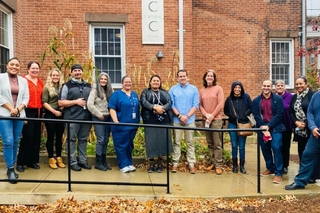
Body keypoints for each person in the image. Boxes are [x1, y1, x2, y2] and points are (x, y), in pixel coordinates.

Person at [285, 86, 320, 190]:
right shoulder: (316, 96)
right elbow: (310, 112)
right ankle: (300, 182)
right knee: (307, 155)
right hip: (316, 135)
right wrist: (313, 127)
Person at [0, 58, 29, 183]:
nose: (14, 67)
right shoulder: (1, 78)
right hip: (5, 114)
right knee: (8, 141)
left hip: (19, 114)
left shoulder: (23, 81)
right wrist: (11, 108)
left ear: (19, 67)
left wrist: (18, 109)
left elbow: (26, 97)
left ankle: (11, 166)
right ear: (7, 66)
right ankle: (11, 169)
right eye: (12, 64)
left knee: (16, 141)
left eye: (17, 65)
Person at [58, 64, 92, 171]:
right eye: (75, 71)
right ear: (72, 73)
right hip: (72, 118)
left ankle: (82, 161)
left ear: (82, 72)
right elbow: (61, 102)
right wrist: (76, 102)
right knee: (71, 140)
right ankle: (72, 162)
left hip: (86, 118)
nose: (77, 72)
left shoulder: (88, 85)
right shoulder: (67, 86)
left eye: (79, 70)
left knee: (83, 140)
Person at [252, 80, 285, 184]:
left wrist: (269, 126)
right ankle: (270, 168)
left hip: (275, 127)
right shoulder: (256, 100)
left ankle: (278, 173)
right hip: (262, 128)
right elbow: (256, 115)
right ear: (262, 87)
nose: (266, 88)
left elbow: (279, 114)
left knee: (276, 147)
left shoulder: (278, 99)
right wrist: (263, 127)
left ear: (271, 87)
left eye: (268, 86)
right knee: (265, 149)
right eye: (264, 86)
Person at [140, 75, 173, 173]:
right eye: (154, 81)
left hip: (164, 121)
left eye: (157, 81)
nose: (156, 82)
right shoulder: (145, 92)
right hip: (150, 120)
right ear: (150, 82)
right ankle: (151, 164)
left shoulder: (165, 93)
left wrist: (162, 109)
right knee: (151, 142)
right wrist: (154, 107)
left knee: (162, 142)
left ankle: (159, 164)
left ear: (160, 82)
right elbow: (144, 102)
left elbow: (170, 102)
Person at [169, 69, 199, 174]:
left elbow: (196, 105)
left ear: (187, 77)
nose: (182, 78)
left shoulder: (194, 89)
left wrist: (187, 116)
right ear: (177, 78)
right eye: (180, 76)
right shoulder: (173, 89)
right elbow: (171, 105)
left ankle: (191, 163)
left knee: (190, 142)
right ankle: (175, 163)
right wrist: (180, 116)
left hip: (189, 120)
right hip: (177, 120)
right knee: (176, 142)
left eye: (184, 76)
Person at [108, 76, 140, 173]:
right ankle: (123, 165)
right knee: (121, 145)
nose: (128, 84)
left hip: (133, 125)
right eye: (126, 82)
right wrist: (116, 121)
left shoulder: (134, 94)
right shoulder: (116, 95)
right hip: (121, 125)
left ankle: (129, 163)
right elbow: (112, 108)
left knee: (129, 145)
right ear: (122, 83)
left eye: (129, 82)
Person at [16, 61, 44, 172]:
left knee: (36, 137)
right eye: (33, 68)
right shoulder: (23, 80)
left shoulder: (40, 81)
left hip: (38, 111)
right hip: (27, 110)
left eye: (37, 68)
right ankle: (21, 162)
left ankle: (33, 161)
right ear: (28, 69)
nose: (35, 70)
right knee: (27, 136)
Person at [199, 69, 224, 175]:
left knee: (217, 143)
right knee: (210, 143)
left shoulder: (218, 89)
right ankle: (213, 162)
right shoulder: (202, 90)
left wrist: (212, 115)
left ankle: (218, 165)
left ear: (214, 78)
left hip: (216, 120)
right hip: (206, 120)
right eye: (208, 76)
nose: (209, 77)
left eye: (211, 76)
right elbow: (200, 105)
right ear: (205, 77)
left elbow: (220, 104)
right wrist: (206, 115)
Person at [224, 81, 252, 174]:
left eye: (239, 87)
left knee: (242, 146)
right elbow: (225, 110)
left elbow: (251, 108)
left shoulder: (246, 97)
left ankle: (242, 166)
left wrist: (245, 114)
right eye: (235, 88)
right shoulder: (229, 99)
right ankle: (235, 165)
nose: (237, 89)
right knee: (234, 145)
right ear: (232, 89)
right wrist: (232, 115)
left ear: (241, 88)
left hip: (243, 124)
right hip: (232, 124)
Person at [87, 72, 113, 171]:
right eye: (101, 79)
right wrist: (99, 114)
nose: (103, 81)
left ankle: (103, 161)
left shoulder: (110, 90)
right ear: (98, 80)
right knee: (101, 139)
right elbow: (90, 105)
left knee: (106, 140)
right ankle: (98, 162)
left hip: (108, 117)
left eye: (105, 79)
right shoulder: (94, 91)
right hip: (98, 117)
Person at [42, 68, 65, 169]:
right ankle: (51, 158)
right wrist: (54, 111)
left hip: (61, 114)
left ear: (60, 77)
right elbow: (44, 102)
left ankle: (59, 157)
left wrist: (61, 110)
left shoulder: (63, 87)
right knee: (50, 137)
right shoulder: (47, 87)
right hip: (50, 114)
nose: (55, 77)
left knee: (59, 137)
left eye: (57, 75)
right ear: (50, 77)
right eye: (53, 75)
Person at [274, 80, 293, 174]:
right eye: (278, 85)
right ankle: (277, 164)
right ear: (275, 87)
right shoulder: (273, 97)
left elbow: (292, 111)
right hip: (276, 127)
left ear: (284, 87)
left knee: (285, 147)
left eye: (282, 85)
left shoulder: (290, 97)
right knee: (277, 147)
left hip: (286, 126)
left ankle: (285, 165)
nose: (280, 87)